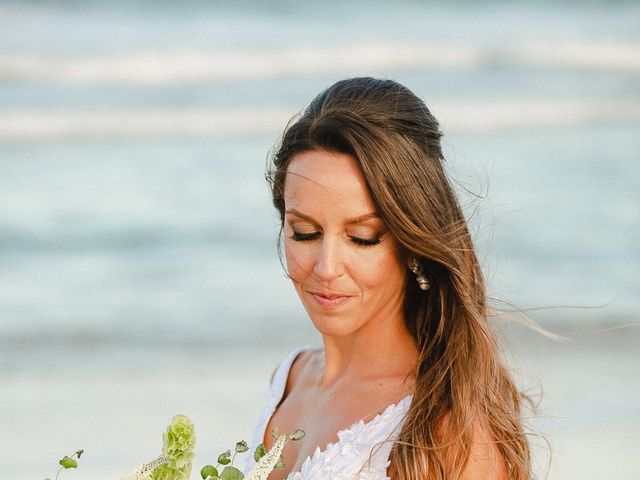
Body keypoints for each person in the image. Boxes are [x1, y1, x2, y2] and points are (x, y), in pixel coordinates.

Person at [247, 77, 530, 480]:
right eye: (304, 233)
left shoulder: (449, 434)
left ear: (412, 241)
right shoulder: (289, 379)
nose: (326, 267)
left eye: (362, 237)